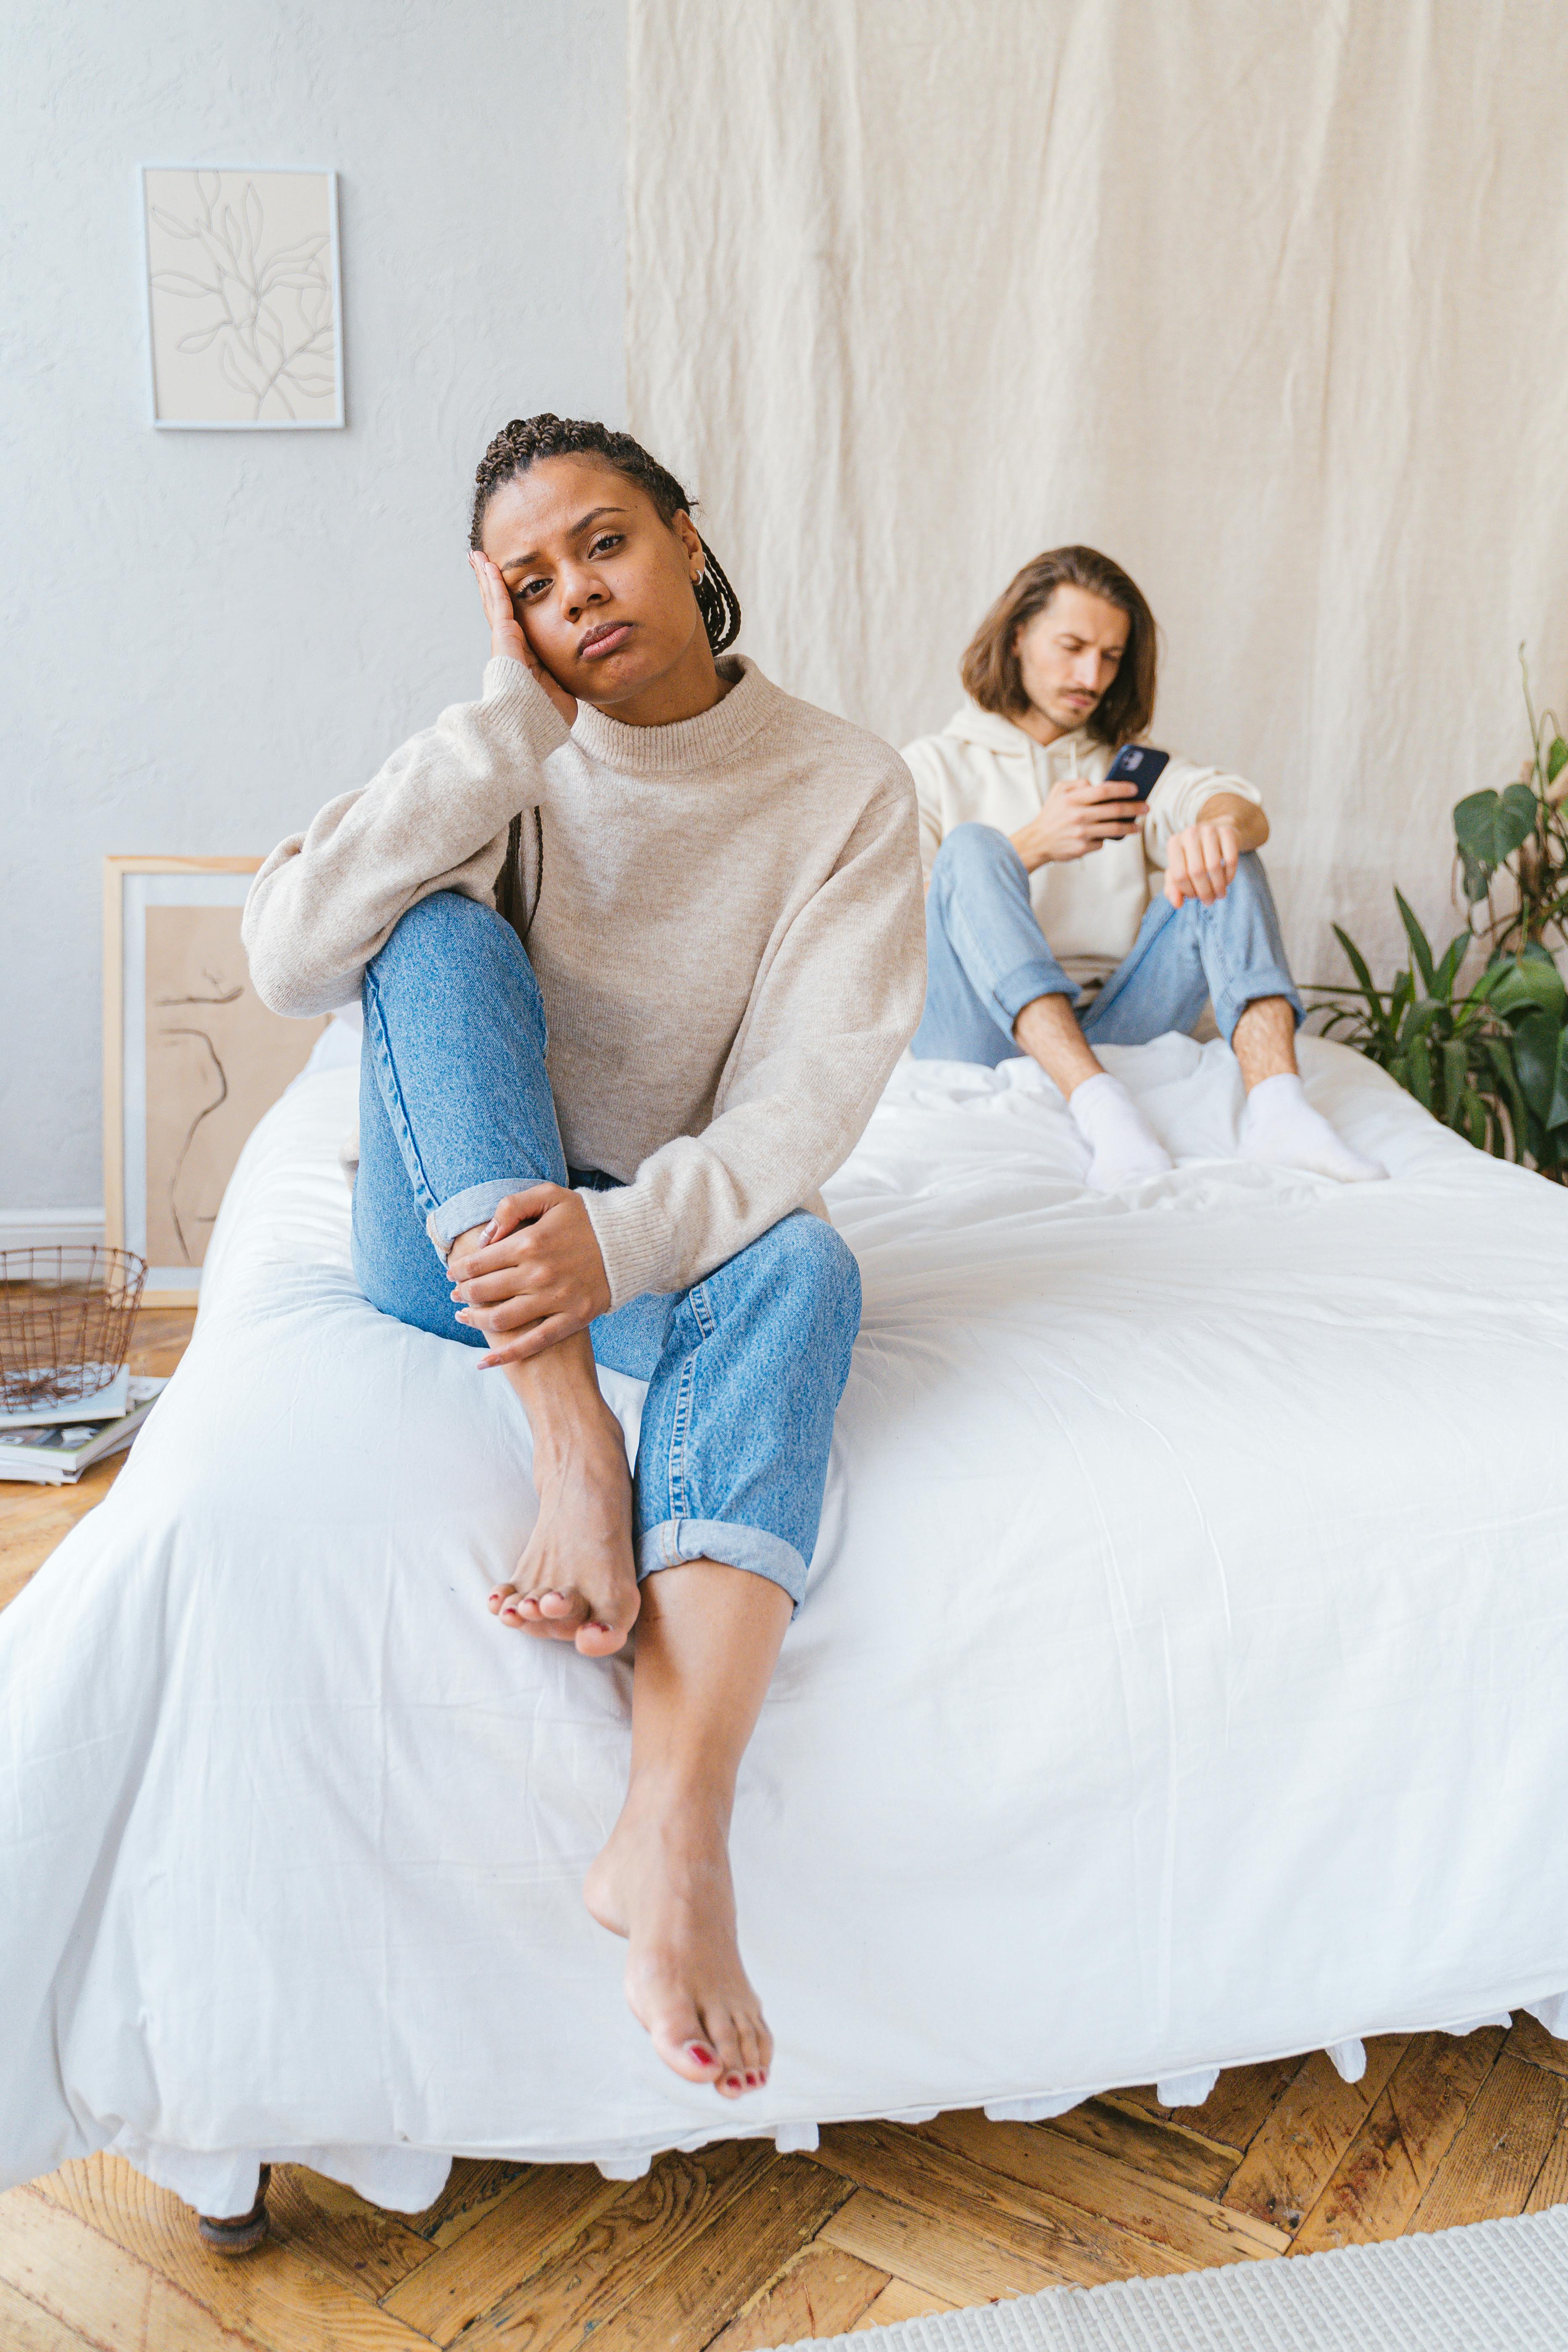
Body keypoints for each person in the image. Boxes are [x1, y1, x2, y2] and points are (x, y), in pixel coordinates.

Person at [243, 414, 925, 2099]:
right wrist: (500, 727)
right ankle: (571, 1447)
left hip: (633, 1226)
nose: (582, 596)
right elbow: (286, 955)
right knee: (435, 926)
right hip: (456, 1231)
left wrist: (620, 1237)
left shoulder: (844, 784)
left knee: (811, 1271)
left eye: (606, 543)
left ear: (690, 538)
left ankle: (670, 1831)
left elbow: (806, 1100)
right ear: (506, 618)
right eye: (532, 583)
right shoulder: (508, 749)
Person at [902, 545, 1384, 1187]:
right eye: (1071, 647)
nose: (1091, 676)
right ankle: (1103, 1109)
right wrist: (1035, 843)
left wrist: (1217, 827)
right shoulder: (930, 766)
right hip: (974, 1028)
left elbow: (1239, 808)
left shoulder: (1125, 765)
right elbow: (895, 922)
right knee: (972, 847)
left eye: (1109, 657)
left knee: (1225, 850)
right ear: (1017, 637)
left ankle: (1280, 1110)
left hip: (1116, 1021)